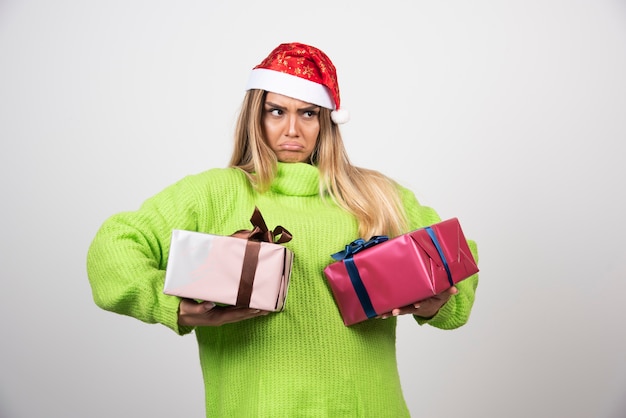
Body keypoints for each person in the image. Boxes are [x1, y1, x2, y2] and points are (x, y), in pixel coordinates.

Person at [86, 42, 479, 417]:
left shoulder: (377, 195)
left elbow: (460, 263)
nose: (293, 129)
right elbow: (114, 246)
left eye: (308, 113)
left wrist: (438, 301)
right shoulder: (215, 193)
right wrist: (170, 306)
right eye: (277, 112)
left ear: (326, 122)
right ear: (256, 116)